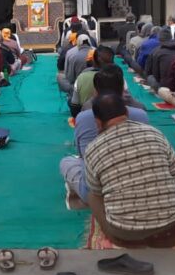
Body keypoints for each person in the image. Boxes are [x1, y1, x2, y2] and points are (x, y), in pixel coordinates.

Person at [84, 93, 175, 247]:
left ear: (98, 122)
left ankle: (128, 233)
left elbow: (98, 192)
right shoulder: (154, 133)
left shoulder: (93, 149)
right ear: (126, 112)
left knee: (93, 196)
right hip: (171, 232)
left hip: (125, 236)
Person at [61, 65, 151, 207]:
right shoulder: (142, 116)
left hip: (101, 194)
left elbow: (83, 156)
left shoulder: (85, 119)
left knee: (68, 162)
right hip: (139, 186)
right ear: (123, 90)